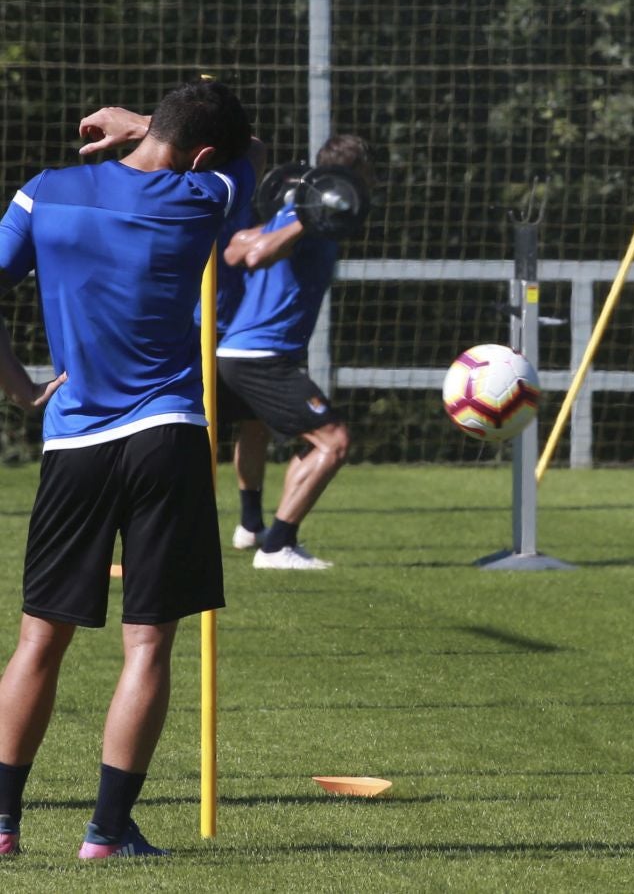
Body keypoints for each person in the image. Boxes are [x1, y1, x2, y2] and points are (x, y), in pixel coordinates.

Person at [0, 80, 261, 858]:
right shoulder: (204, 195)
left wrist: (22, 390)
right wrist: (146, 126)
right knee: (147, 645)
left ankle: (2, 826)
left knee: (38, 642)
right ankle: (107, 834)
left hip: (73, 442)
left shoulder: (43, 194)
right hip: (166, 437)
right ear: (204, 155)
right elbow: (247, 155)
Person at [217, 134, 371, 570]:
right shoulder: (302, 214)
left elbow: (236, 247)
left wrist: (302, 216)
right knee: (334, 441)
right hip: (259, 357)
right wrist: (307, 217)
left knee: (270, 432)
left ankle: (257, 529)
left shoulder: (292, 211)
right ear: (356, 175)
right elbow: (248, 257)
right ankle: (277, 546)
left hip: (243, 354)